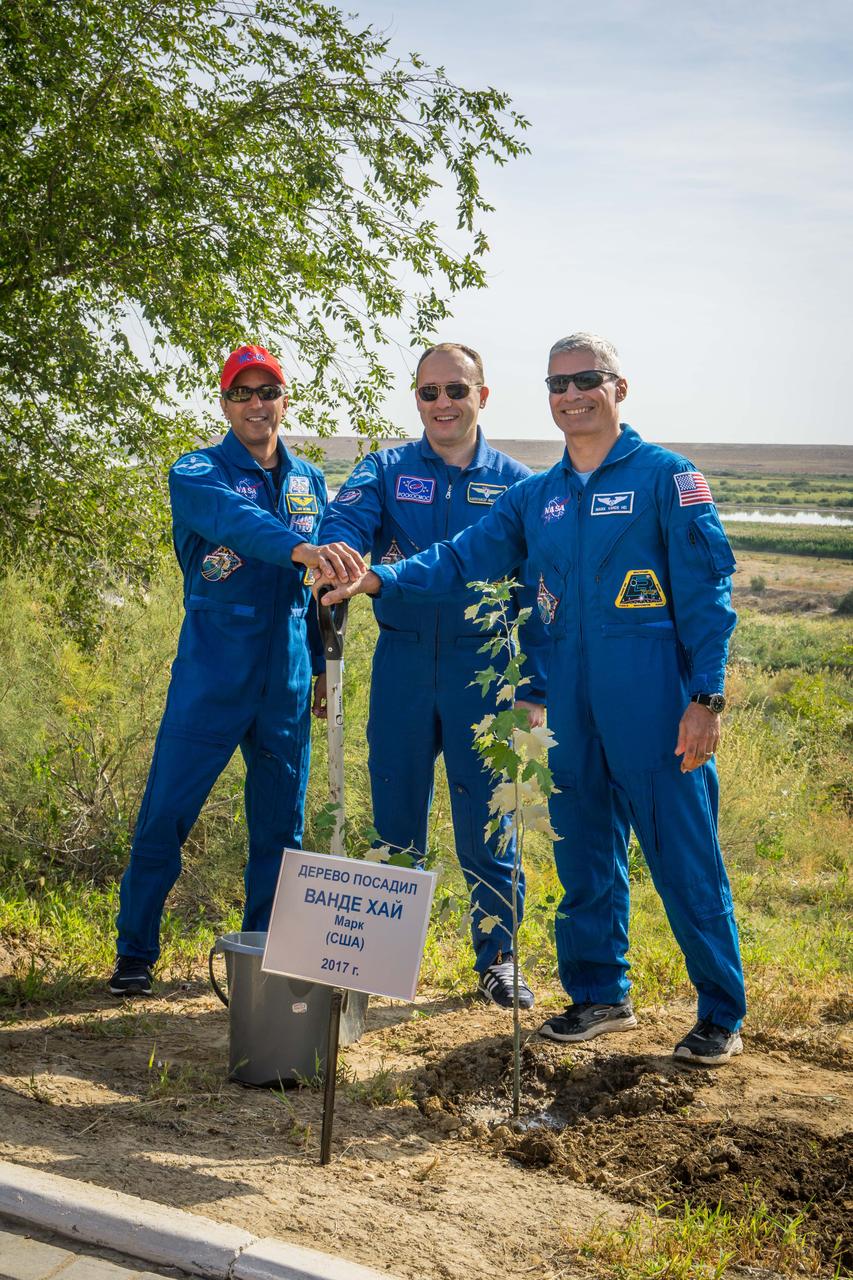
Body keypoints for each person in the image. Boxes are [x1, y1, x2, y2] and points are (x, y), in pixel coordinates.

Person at [319, 333, 747, 1065]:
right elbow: (460, 559)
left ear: (619, 388)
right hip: (569, 705)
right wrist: (379, 580)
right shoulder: (533, 498)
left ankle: (718, 1012)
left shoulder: (666, 480)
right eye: (557, 384)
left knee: (681, 855)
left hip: (653, 701)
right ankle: (599, 994)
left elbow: (708, 592)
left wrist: (704, 697)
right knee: (582, 854)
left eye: (586, 380)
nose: (571, 395)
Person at [109, 344, 365, 996]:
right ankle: (135, 955)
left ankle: (263, 958)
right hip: (211, 675)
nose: (257, 404)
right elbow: (236, 522)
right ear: (225, 403)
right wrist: (300, 547)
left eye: (267, 391)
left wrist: (322, 669)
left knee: (282, 829)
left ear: (284, 400)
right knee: (166, 813)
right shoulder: (198, 470)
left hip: (284, 678)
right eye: (243, 393)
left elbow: (323, 583)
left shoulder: (309, 478)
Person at [316, 342, 548, 1009]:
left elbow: (538, 593)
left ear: (483, 395)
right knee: (394, 820)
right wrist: (340, 549)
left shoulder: (519, 483)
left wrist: (535, 686)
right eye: (428, 392)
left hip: (487, 671)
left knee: (489, 824)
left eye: (455, 390)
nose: (442, 404)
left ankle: (499, 960)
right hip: (403, 664)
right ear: (414, 398)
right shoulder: (385, 469)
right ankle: (383, 960)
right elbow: (345, 523)